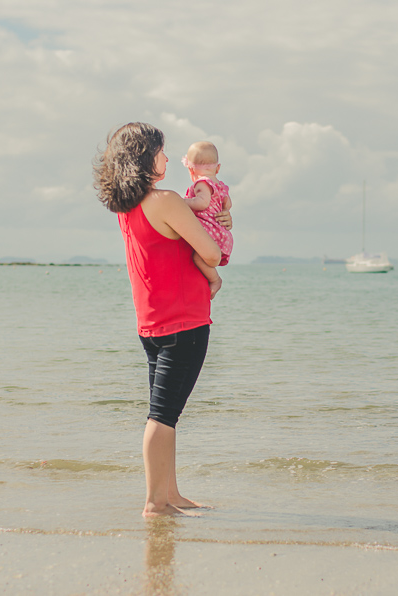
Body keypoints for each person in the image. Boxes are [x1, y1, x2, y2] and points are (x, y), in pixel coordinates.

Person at [93, 123, 232, 517]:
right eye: (161, 151)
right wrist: (217, 235)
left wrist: (214, 225)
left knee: (165, 412)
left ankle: (171, 494)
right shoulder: (167, 199)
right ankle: (156, 502)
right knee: (164, 414)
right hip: (183, 319)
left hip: (152, 320)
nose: (167, 159)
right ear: (144, 157)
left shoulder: (128, 205)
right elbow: (209, 254)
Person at [181, 141, 234, 299]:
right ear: (218, 168)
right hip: (220, 231)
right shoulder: (220, 186)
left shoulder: (201, 183)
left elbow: (202, 203)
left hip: (208, 231)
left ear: (191, 169)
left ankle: (215, 280)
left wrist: (181, 202)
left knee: (198, 257)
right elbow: (228, 204)